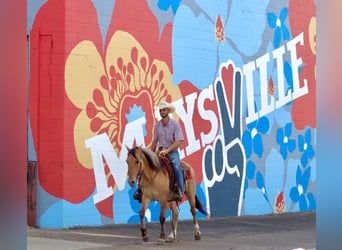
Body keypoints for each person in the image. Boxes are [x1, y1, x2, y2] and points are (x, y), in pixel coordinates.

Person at [133, 100, 184, 202]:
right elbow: (155, 141)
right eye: (161, 110)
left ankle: (180, 191)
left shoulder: (175, 125)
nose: (162, 112)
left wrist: (168, 150)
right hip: (159, 151)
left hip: (172, 152)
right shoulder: (157, 126)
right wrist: (150, 154)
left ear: (168, 111)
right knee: (146, 165)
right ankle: (140, 191)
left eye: (164, 110)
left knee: (177, 166)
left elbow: (179, 141)